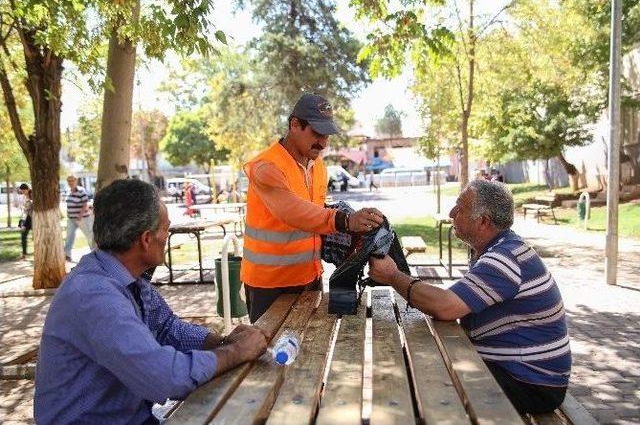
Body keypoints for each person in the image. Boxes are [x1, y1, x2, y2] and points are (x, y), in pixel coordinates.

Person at [34, 179, 269, 423]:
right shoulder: (94, 296)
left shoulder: (124, 277)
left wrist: (223, 341)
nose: (168, 236)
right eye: (165, 229)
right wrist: (236, 352)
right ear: (146, 239)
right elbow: (164, 377)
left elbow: (168, 327)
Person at [368, 179, 571, 415]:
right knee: (418, 364)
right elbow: (453, 300)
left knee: (422, 381)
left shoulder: (504, 258)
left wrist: (393, 276)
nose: (452, 213)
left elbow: (445, 306)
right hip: (523, 373)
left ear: (483, 221)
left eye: (460, 207)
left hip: (530, 383)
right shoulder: (502, 247)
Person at [241, 92, 384, 323]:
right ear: (294, 125)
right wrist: (345, 221)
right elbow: (292, 211)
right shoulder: (266, 167)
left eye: (327, 135)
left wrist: (344, 229)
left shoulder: (318, 167)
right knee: (271, 356)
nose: (324, 143)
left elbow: (314, 211)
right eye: (317, 133)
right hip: (269, 285)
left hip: (310, 277)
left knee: (308, 351)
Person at [64, 175, 95, 261]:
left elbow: (85, 203)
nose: (71, 182)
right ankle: (67, 255)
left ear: (76, 181)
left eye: (72, 180)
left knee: (89, 235)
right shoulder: (68, 191)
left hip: (82, 218)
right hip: (71, 218)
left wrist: (80, 216)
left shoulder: (81, 190)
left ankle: (94, 253)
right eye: (69, 181)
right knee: (69, 236)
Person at [18, 183, 33, 259]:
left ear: (28, 189)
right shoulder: (25, 197)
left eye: (24, 191)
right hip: (27, 219)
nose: (23, 192)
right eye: (22, 191)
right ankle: (24, 254)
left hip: (33, 220)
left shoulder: (32, 196)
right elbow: (24, 211)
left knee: (36, 237)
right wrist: (21, 221)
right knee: (23, 236)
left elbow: (30, 210)